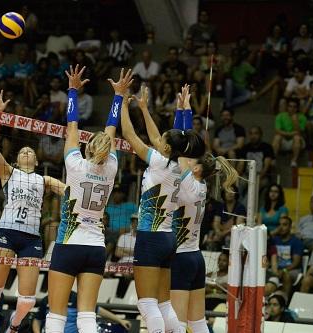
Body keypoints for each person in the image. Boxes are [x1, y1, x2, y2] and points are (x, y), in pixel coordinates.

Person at [44, 65, 126, 333]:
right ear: (107, 150)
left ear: (87, 147)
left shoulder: (76, 166)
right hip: (95, 248)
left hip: (69, 245)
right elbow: (111, 129)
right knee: (87, 316)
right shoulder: (112, 167)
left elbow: (71, 125)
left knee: (56, 315)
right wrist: (119, 96)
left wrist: (72, 91)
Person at [0, 90, 65, 333]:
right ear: (16, 160)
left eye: (31, 151)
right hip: (7, 232)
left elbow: (69, 191)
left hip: (31, 239)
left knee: (27, 299)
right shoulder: (9, 173)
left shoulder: (44, 180)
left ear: (36, 161)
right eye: (22, 151)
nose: (27, 151)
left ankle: (14, 326)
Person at [121, 84, 205, 333]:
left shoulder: (158, 162)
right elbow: (171, 140)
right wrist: (148, 110)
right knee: (164, 303)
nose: (158, 141)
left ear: (166, 148)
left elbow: (129, 135)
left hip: (150, 238)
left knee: (147, 305)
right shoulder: (183, 168)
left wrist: (123, 103)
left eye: (162, 141)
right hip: (169, 239)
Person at [171, 151, 238, 333]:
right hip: (196, 257)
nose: (188, 161)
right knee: (198, 322)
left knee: (179, 323)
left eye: (193, 161)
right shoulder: (201, 186)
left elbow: (180, 156)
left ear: (197, 168)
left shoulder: (188, 185)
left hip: (181, 258)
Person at [33, 291, 131, 333]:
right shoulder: (46, 300)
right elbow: (37, 320)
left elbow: (98, 310)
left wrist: (120, 320)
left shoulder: (77, 298)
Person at [270, 216, 304, 296]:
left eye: (284, 225)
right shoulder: (275, 240)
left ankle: (284, 301)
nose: (281, 227)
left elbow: (295, 263)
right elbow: (265, 237)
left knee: (286, 275)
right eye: (279, 225)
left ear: (290, 227)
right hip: (276, 269)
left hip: (292, 270)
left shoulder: (296, 242)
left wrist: (283, 270)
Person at [272, 98, 307, 167]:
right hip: (284, 140)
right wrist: (288, 134)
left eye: (294, 107)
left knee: (297, 137)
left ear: (297, 108)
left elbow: (300, 132)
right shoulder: (280, 116)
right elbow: (277, 130)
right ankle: (273, 159)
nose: (292, 109)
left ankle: (294, 161)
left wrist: (295, 121)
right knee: (277, 137)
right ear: (287, 107)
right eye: (290, 106)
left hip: (298, 141)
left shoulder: (302, 117)